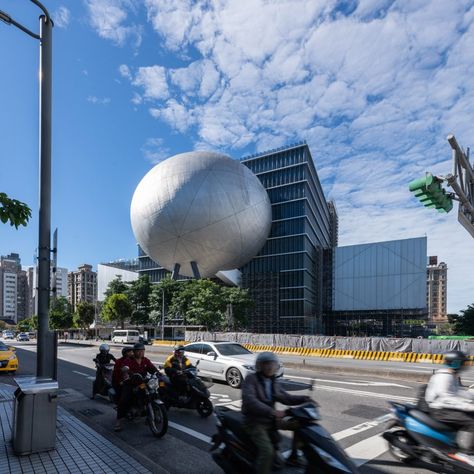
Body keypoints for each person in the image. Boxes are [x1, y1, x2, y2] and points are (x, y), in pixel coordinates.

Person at [241, 351, 313, 474]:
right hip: (255, 422)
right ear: (260, 365)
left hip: (271, 420)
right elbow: (250, 400)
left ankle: (294, 457)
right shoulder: (251, 379)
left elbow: (285, 397)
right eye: (266, 364)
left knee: (301, 425)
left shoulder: (273, 381)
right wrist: (272, 412)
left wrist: (305, 399)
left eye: (272, 364)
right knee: (267, 451)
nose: (269, 367)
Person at [425, 350, 474, 450]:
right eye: (463, 362)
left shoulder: (452, 375)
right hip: (440, 410)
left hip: (446, 408)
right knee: (471, 421)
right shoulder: (444, 377)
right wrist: (468, 406)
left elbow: (457, 392)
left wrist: (471, 394)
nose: (465, 365)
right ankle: (467, 449)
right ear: (456, 363)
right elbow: (446, 398)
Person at [115, 343, 159, 431]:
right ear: (134, 352)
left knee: (155, 393)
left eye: (142, 351)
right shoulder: (129, 360)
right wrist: (126, 374)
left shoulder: (145, 360)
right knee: (124, 399)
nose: (141, 353)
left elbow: (152, 368)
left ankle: (155, 413)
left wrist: (158, 373)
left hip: (143, 382)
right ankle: (119, 421)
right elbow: (124, 369)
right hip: (131, 383)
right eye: (138, 351)